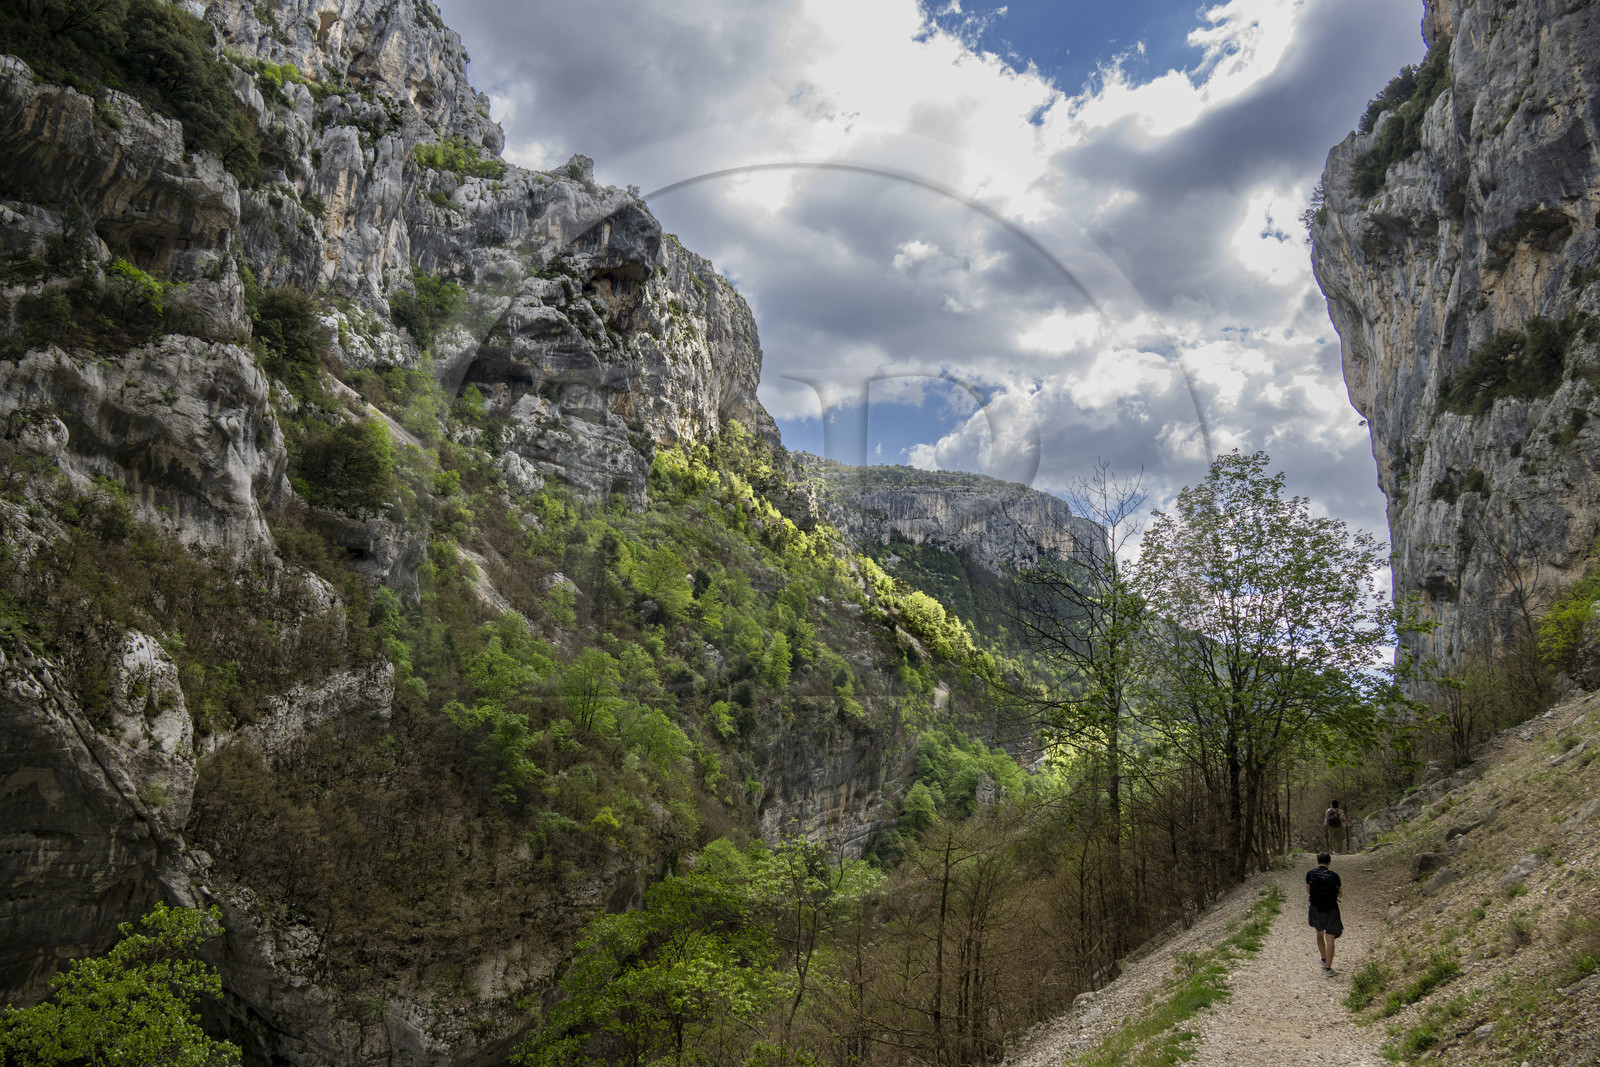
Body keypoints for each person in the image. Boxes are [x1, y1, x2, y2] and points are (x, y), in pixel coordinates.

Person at [1307, 851, 1343, 971]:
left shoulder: (1310, 874)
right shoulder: (1334, 876)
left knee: (1319, 933)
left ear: (1317, 861)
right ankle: (1328, 968)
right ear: (1329, 862)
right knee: (1330, 939)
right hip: (1331, 910)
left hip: (1316, 908)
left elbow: (1309, 891)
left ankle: (1323, 958)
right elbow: (1341, 894)